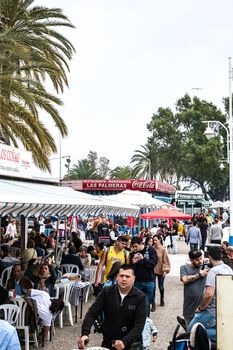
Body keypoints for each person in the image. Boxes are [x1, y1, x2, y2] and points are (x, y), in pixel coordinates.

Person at [78, 264, 147, 350]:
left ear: (133, 279)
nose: (124, 279)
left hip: (130, 345)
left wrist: (125, 341)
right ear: (117, 277)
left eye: (127, 276)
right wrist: (85, 333)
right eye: (121, 276)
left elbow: (139, 325)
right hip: (108, 343)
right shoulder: (106, 292)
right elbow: (92, 313)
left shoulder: (140, 297)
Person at [188, 246, 233, 344]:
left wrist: (200, 308)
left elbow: (209, 294)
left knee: (191, 331)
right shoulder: (228, 269)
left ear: (210, 258)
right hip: (223, 310)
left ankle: (223, 335)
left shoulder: (213, 271)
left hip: (211, 312)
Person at [180, 250, 208, 328]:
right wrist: (199, 275)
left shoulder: (205, 266)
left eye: (200, 258)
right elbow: (185, 280)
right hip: (189, 307)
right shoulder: (184, 267)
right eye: (197, 260)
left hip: (202, 307)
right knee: (190, 331)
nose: (200, 261)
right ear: (191, 260)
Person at [131, 236, 157, 315]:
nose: (135, 248)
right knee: (137, 305)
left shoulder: (150, 250)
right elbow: (130, 269)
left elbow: (153, 264)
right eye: (133, 247)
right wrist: (132, 263)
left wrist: (143, 259)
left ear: (141, 244)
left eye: (136, 246)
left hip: (149, 281)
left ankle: (146, 323)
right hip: (137, 282)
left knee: (146, 305)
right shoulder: (133, 253)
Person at [152, 234, 170, 310]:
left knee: (161, 287)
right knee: (153, 287)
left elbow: (165, 261)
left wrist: (165, 270)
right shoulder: (151, 249)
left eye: (156, 240)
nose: (154, 241)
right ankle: (153, 304)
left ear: (159, 240)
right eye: (153, 240)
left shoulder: (163, 250)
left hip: (161, 270)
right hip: (152, 270)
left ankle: (162, 298)